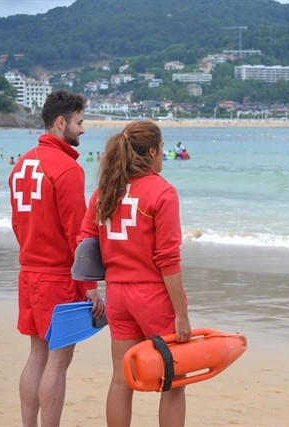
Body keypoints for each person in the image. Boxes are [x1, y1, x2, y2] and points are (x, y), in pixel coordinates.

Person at [78, 120, 191, 426]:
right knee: (174, 379)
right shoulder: (162, 192)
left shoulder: (105, 191)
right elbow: (167, 258)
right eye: (162, 149)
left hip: (117, 295)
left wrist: (92, 287)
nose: (162, 155)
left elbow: (85, 244)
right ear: (152, 151)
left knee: (121, 378)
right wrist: (181, 313)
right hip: (153, 295)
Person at [8, 89, 104, 427]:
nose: (83, 129)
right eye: (79, 122)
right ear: (61, 122)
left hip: (28, 271)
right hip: (57, 278)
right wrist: (91, 285)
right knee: (57, 361)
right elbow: (77, 234)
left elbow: (18, 223)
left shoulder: (21, 164)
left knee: (36, 355)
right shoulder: (67, 169)